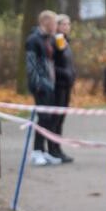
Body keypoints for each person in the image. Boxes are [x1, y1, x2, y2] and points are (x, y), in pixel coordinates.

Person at [25, 10, 60, 167]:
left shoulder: (50, 39)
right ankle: (37, 151)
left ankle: (45, 150)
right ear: (46, 22)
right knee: (43, 118)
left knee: (50, 119)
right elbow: (31, 65)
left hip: (51, 85)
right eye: (54, 23)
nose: (56, 26)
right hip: (41, 86)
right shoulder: (33, 40)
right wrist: (39, 84)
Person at [49, 14, 76, 164]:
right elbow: (52, 64)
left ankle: (58, 148)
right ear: (57, 26)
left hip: (67, 85)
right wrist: (65, 73)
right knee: (55, 119)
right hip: (58, 85)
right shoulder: (55, 41)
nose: (67, 27)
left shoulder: (65, 41)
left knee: (61, 120)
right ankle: (52, 149)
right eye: (63, 24)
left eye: (68, 24)